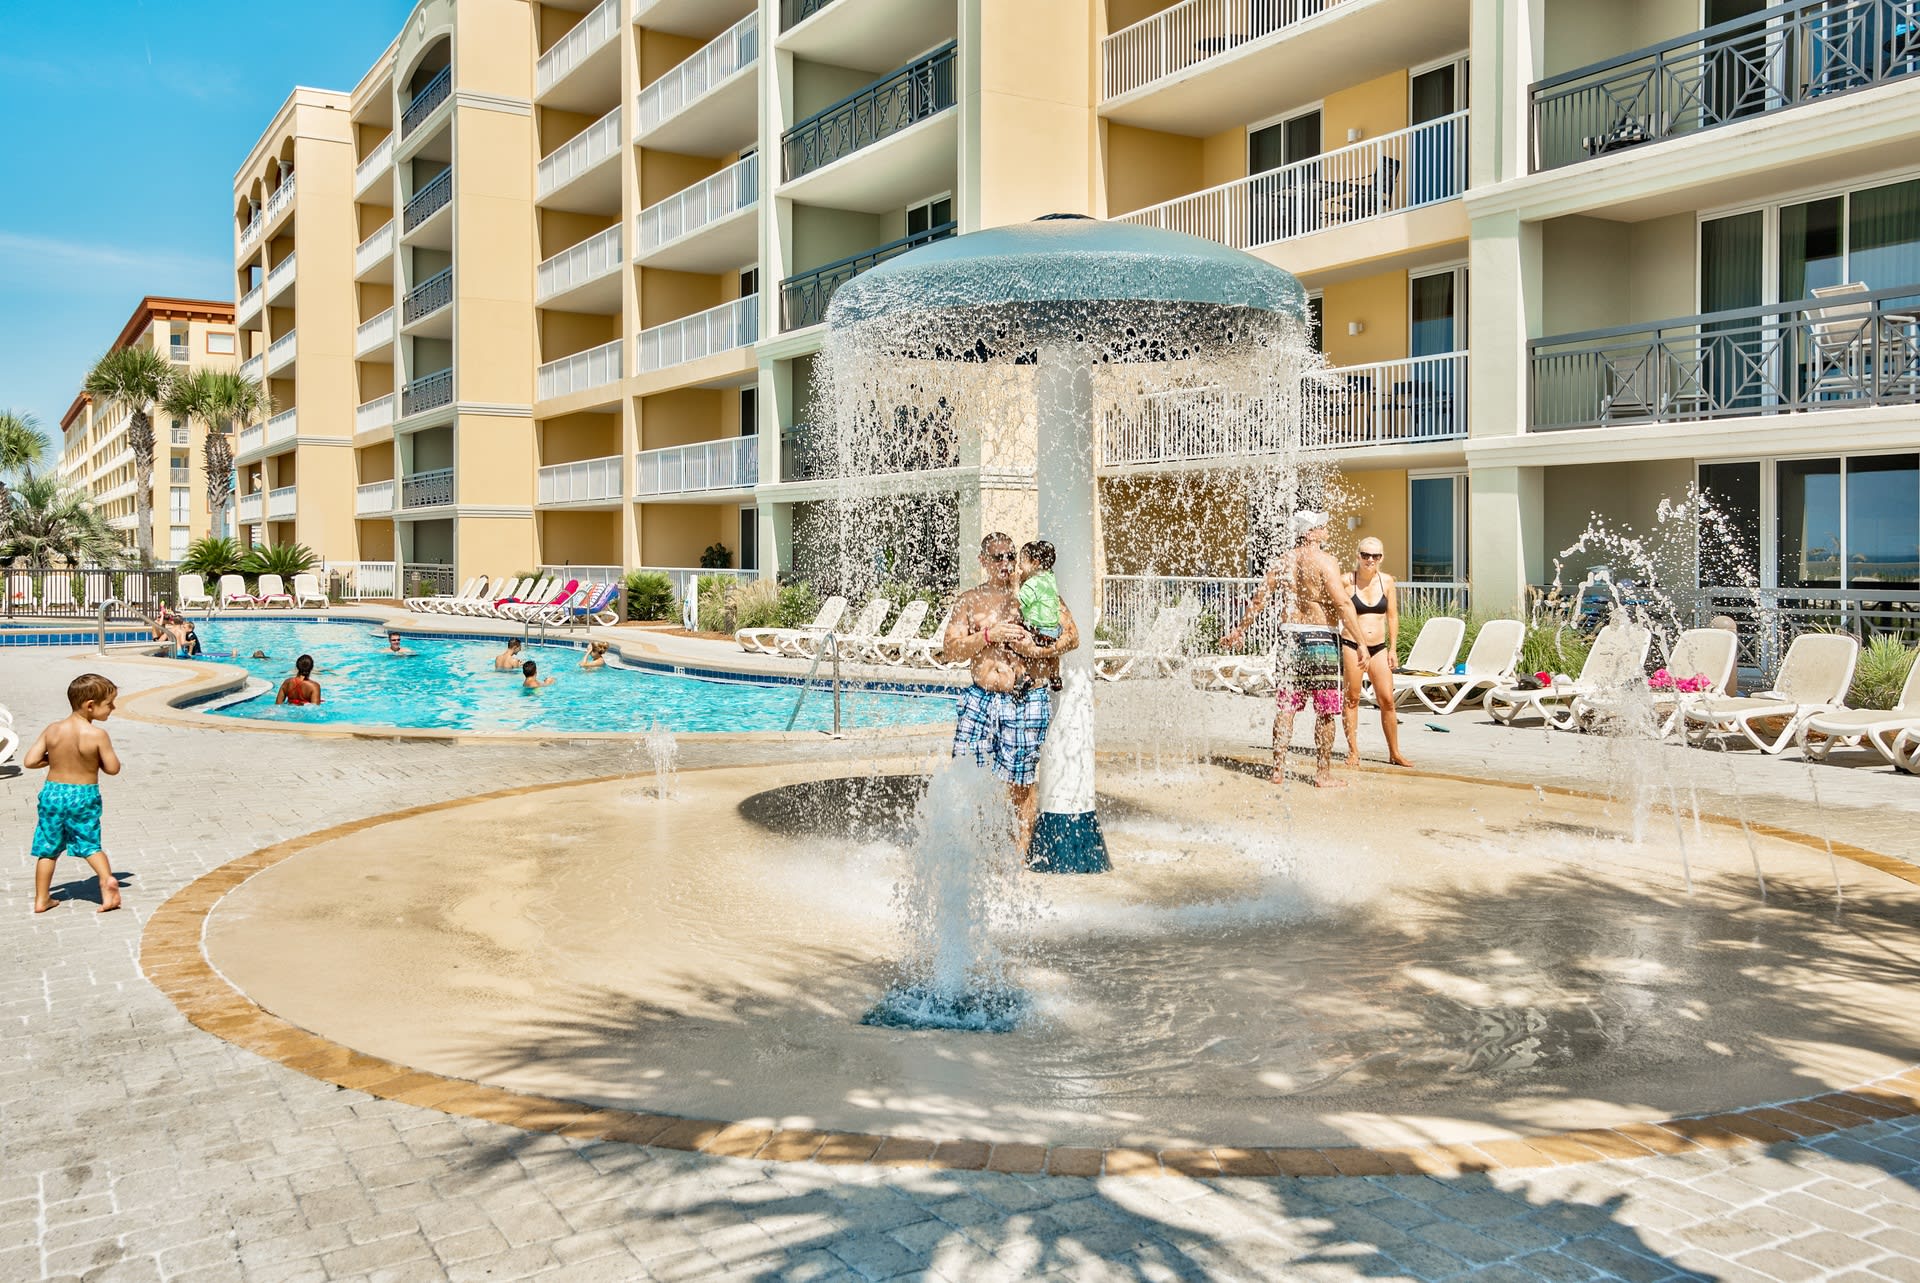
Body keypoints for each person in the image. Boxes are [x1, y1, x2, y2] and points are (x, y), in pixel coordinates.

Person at [941, 531, 1078, 858]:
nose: (1006, 564)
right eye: (998, 557)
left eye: (1011, 556)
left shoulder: (1034, 591)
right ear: (984, 561)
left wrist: (1037, 650)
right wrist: (989, 634)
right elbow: (950, 649)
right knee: (965, 775)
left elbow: (1072, 637)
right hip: (980, 699)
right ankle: (972, 849)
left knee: (1020, 783)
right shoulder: (971, 600)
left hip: (1025, 699)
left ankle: (1018, 857)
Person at [1221, 510, 1368, 789]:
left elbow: (1258, 599)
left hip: (1289, 638)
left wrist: (1240, 629)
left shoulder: (1282, 561)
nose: (1326, 530)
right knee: (1326, 710)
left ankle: (1277, 769)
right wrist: (1360, 641)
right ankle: (1322, 774)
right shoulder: (1326, 561)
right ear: (1310, 533)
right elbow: (1343, 604)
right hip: (1320, 639)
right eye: (1321, 526)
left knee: (1286, 708)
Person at [24, 673, 123, 914]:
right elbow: (113, 768)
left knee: (48, 848)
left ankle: (41, 899)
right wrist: (94, 761)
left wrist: (53, 759)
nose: (113, 707)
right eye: (109, 704)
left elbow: (30, 761)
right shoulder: (97, 735)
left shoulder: (53, 729)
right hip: (83, 796)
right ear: (90, 706)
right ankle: (106, 881)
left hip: (53, 794)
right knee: (89, 844)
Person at [1338, 536, 1411, 768]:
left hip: (1379, 648)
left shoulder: (1387, 582)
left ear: (1381, 558)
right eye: (1366, 555)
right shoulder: (1346, 581)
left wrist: (1393, 648)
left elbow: (1392, 616)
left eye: (1376, 556)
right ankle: (1353, 751)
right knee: (1352, 699)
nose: (1370, 560)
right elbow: (1334, 608)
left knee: (1388, 700)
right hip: (1353, 646)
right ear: (1357, 555)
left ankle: (1394, 752)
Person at [1015, 540, 1064, 696]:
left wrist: (1015, 584)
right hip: (1054, 630)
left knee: (1013, 644)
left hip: (1038, 630)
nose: (1018, 566)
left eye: (1021, 561)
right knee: (1053, 655)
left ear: (1035, 563)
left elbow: (1018, 602)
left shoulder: (1033, 583)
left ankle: (1024, 675)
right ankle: (1055, 677)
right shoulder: (1050, 577)